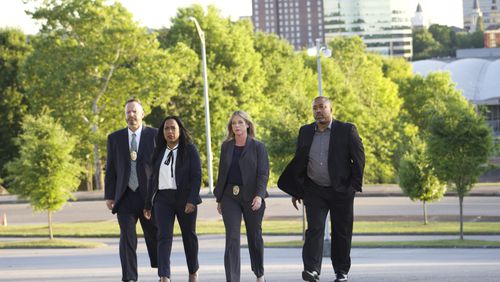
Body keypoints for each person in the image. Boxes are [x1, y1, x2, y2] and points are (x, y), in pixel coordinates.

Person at [278, 96, 365, 282]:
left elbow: (359, 159)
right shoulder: (305, 131)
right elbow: (299, 161)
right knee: (314, 229)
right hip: (314, 190)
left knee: (341, 231)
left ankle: (341, 272)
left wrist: (353, 186)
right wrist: (296, 189)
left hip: (341, 190)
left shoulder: (347, 130)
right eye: (315, 108)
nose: (318, 111)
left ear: (331, 109)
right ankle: (311, 270)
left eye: (322, 107)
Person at [104, 98, 158, 282]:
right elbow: (110, 168)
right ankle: (129, 278)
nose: (131, 115)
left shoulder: (155, 135)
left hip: (149, 197)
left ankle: (162, 273)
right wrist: (110, 195)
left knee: (155, 236)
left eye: (134, 111)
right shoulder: (115, 138)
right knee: (127, 240)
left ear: (142, 114)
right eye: (128, 112)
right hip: (125, 197)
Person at [144, 115, 202, 282]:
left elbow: (197, 176)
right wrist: (148, 203)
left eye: (173, 128)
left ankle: (193, 271)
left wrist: (192, 200)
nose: (169, 131)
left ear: (180, 130)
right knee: (163, 236)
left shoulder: (190, 150)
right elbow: (152, 179)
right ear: (162, 132)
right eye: (166, 129)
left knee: (188, 236)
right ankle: (164, 275)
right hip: (163, 199)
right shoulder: (158, 151)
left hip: (185, 199)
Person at [214, 110, 269, 282]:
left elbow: (263, 174)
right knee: (232, 237)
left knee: (254, 236)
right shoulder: (226, 146)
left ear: (247, 124)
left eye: (239, 122)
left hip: (252, 196)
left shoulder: (258, 147)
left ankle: (259, 273)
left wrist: (259, 196)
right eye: (233, 123)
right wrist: (219, 198)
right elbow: (222, 174)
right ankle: (232, 279)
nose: (236, 126)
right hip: (230, 196)